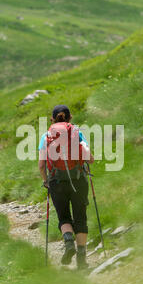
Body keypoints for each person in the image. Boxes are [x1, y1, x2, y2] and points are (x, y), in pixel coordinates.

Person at [39, 105, 94, 269]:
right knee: (80, 217)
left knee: (64, 217)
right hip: (79, 180)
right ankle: (82, 259)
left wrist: (46, 182)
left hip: (56, 181)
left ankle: (69, 241)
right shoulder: (77, 133)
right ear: (70, 118)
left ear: (52, 120)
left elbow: (41, 165)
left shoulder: (46, 136)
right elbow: (90, 159)